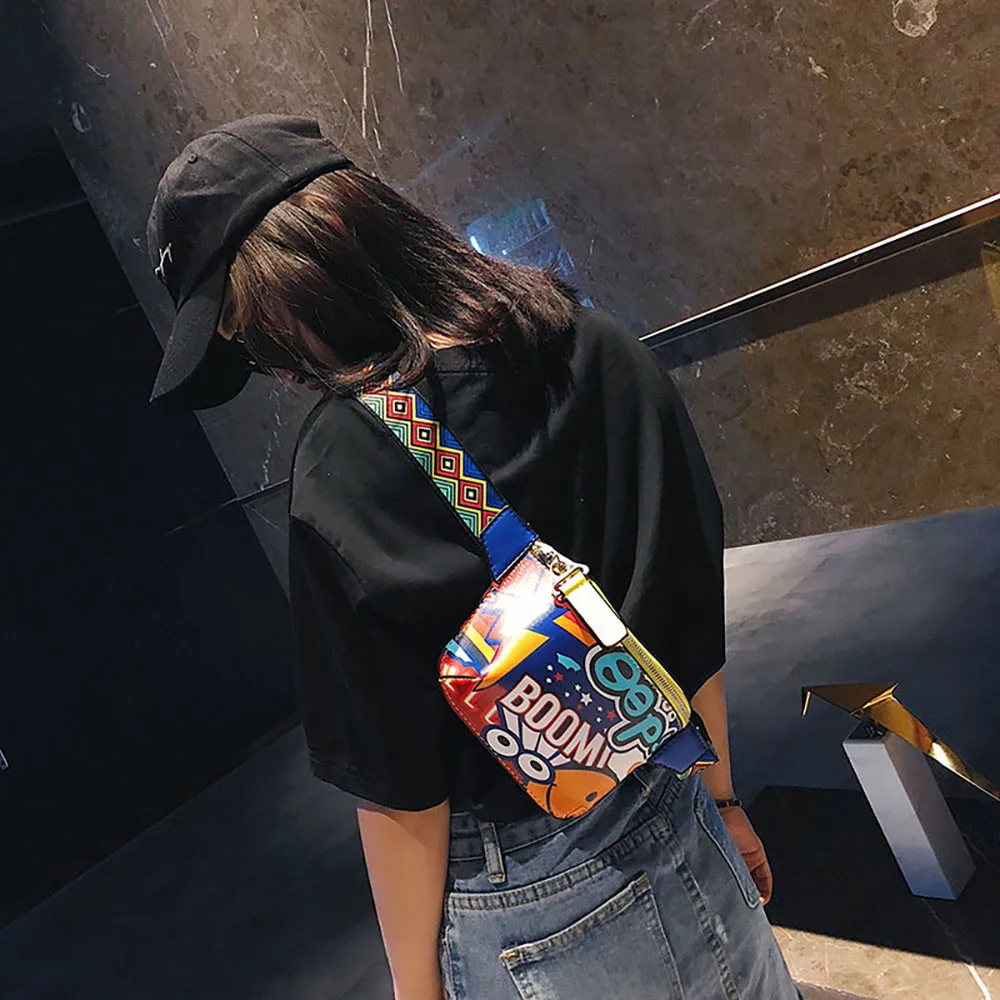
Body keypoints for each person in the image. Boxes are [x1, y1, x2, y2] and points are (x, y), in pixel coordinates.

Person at [147, 114, 801, 1000]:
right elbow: (687, 623)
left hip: (532, 900)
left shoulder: (345, 467)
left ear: (298, 273)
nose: (272, 363)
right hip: (682, 814)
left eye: (244, 325)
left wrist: (415, 985)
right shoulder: (592, 344)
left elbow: (400, 785)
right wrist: (722, 800)